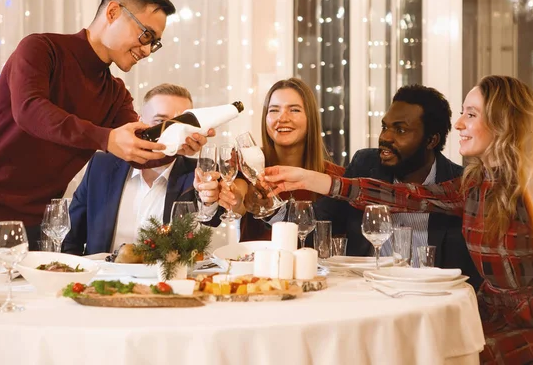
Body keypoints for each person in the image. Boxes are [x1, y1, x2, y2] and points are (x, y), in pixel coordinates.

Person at [264, 75, 533, 364]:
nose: (460, 124)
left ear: (503, 122)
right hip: (486, 316)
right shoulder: (474, 184)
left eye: (472, 114)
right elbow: (403, 196)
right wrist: (313, 180)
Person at [0, 0, 212, 263]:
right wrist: (105, 138)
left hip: (41, 226)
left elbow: (140, 149)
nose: (147, 50)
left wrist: (178, 142)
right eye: (145, 35)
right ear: (113, 12)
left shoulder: (115, 93)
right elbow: (30, 111)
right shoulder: (41, 49)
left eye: (155, 43)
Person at [316, 85, 481, 288]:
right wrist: (273, 209)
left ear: (431, 140)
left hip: (431, 298)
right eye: (385, 127)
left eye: (400, 130)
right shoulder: (365, 164)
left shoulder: (460, 184)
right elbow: (319, 221)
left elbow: (407, 198)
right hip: (366, 293)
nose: (385, 137)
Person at [62, 84, 221, 255]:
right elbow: (71, 236)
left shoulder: (197, 172)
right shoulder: (102, 166)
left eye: (183, 122)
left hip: (166, 278)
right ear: (140, 122)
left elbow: (212, 219)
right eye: (161, 121)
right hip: (103, 276)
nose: (173, 130)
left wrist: (209, 201)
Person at [195, 78, 344, 241]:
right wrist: (234, 199)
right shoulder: (246, 161)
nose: (283, 118)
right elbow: (240, 195)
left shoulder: (334, 177)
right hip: (256, 263)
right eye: (274, 110)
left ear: (311, 118)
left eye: (294, 110)